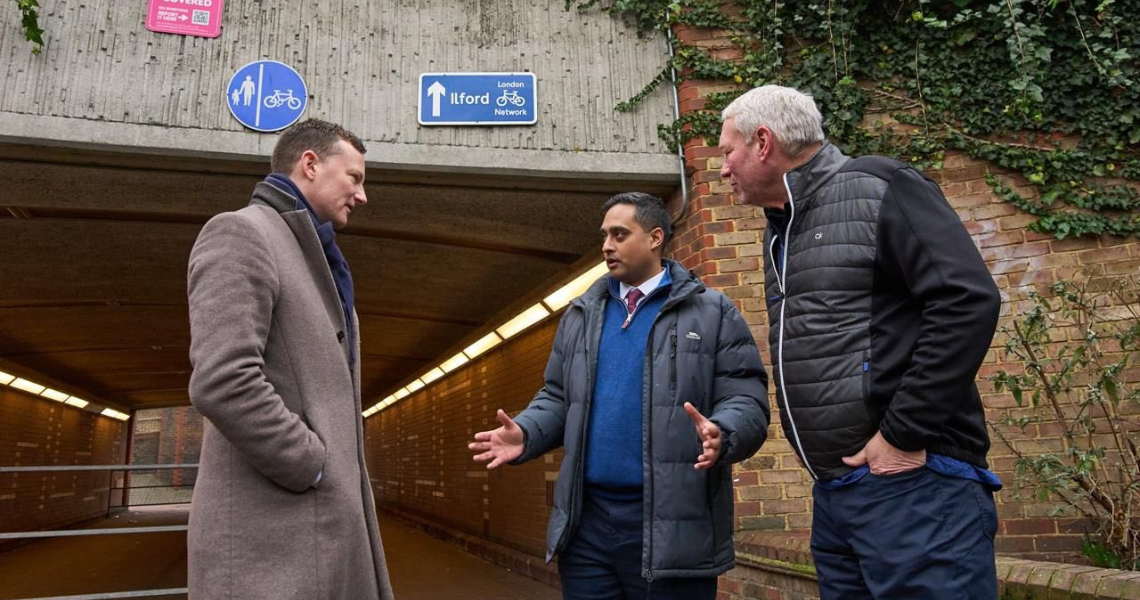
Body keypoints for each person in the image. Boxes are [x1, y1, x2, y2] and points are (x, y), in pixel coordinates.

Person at [718, 84, 1003, 599]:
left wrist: (901, 434)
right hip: (838, 495)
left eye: (727, 151)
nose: (722, 169)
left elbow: (967, 299)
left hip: (915, 486)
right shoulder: (781, 228)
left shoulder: (880, 184)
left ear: (763, 142)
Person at [468, 192, 769, 600]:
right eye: (605, 235)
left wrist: (724, 431)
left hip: (670, 526)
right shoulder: (581, 313)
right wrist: (526, 431)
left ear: (655, 237)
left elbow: (746, 397)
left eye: (620, 234)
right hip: (587, 525)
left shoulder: (712, 312)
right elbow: (558, 397)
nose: (607, 245)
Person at [186, 118, 393, 600]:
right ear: (310, 164)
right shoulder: (241, 233)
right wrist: (313, 465)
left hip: (313, 536)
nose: (361, 196)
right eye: (355, 178)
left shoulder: (313, 254)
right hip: (275, 543)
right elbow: (223, 379)